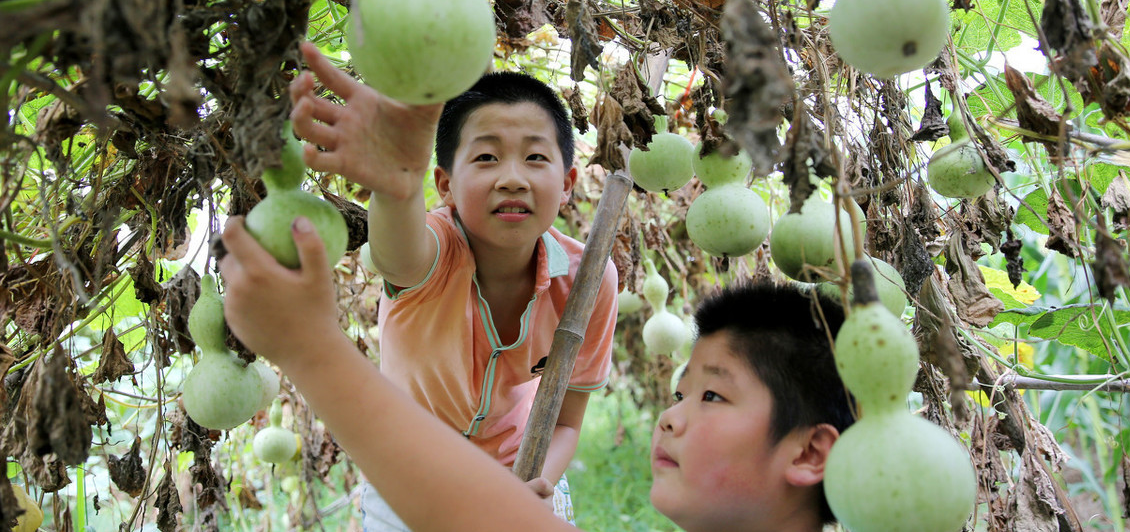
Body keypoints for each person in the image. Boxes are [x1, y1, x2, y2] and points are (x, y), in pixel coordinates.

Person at [219, 211, 855, 532]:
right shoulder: (435, 262)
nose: (670, 415)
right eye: (681, 391)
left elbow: (469, 515)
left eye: (712, 394)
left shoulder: (582, 277)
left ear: (810, 451)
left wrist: (308, 347)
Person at [283, 42, 619, 528]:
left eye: (534, 158)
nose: (512, 178)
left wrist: (525, 486)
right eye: (486, 157)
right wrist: (395, 184)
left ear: (567, 183)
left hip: (522, 471)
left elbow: (566, 421)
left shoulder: (589, 281)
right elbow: (396, 255)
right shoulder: (433, 250)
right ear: (444, 184)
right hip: (408, 480)